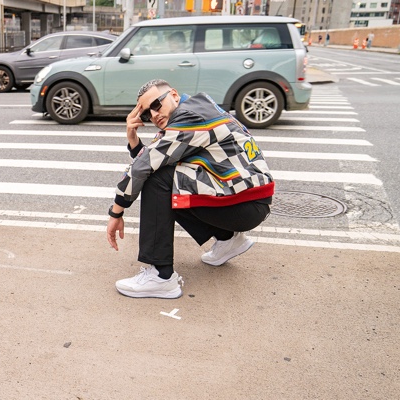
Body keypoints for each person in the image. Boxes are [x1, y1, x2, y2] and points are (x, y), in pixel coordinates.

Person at [106, 79, 274, 299]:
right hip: (246, 200)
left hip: (245, 205)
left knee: (160, 180)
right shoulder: (193, 109)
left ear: (173, 94)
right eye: (146, 114)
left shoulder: (188, 118)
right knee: (167, 175)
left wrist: (116, 212)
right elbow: (152, 159)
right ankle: (228, 240)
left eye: (156, 105)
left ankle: (161, 275)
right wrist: (133, 138)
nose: (154, 115)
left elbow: (144, 167)